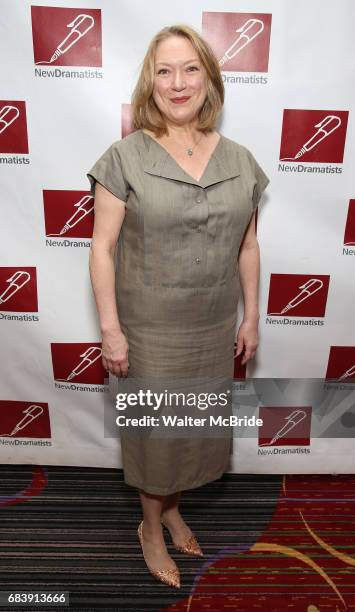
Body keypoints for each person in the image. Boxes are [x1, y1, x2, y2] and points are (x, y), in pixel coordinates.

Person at [86, 24, 269, 589]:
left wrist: (252, 316)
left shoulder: (240, 158)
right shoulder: (125, 157)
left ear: (209, 79)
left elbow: (248, 243)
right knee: (158, 437)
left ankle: (171, 508)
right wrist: (110, 330)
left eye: (190, 68)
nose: (178, 82)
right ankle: (149, 526)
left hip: (211, 326)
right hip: (150, 330)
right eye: (164, 71)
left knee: (190, 430)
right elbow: (103, 247)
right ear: (151, 81)